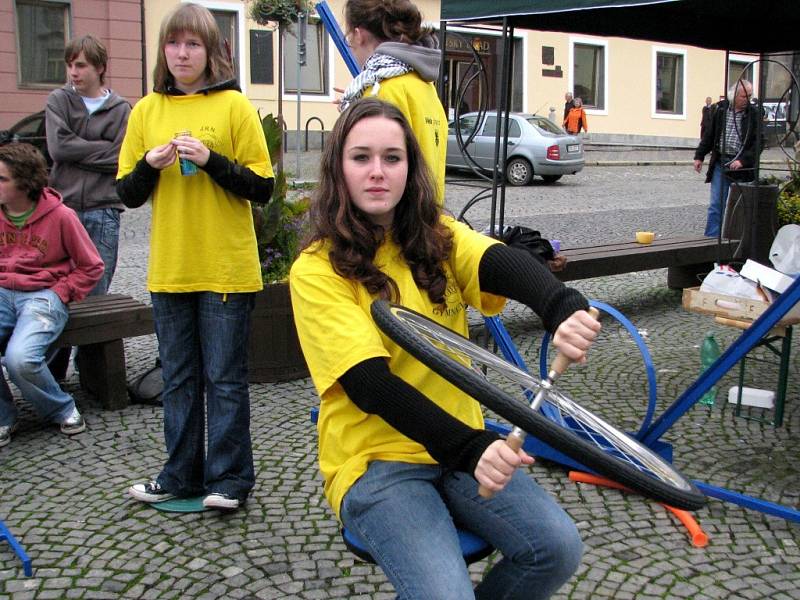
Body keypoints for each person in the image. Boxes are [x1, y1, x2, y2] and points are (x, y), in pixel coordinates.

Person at [290, 98, 600, 599]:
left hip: (461, 447)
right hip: (378, 462)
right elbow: (371, 386)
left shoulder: (436, 235)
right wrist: (472, 449)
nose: (377, 172)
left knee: (557, 548)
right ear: (337, 168)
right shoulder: (316, 270)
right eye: (361, 157)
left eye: (392, 158)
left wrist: (561, 305)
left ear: (410, 168)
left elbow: (497, 260)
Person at [117, 3, 274, 511]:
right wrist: (147, 164)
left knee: (225, 380)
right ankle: (180, 474)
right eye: (174, 43)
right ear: (163, 51)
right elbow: (128, 194)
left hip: (226, 265)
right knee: (179, 378)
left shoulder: (234, 107)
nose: (182, 53)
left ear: (211, 53)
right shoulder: (146, 111)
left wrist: (211, 162)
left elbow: (263, 186)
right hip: (171, 266)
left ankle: (230, 479)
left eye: (193, 45)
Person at [0, 143, 103, 449]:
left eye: (2, 179)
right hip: (3, 291)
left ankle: (61, 407)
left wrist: (61, 291)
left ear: (25, 181)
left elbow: (91, 266)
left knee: (20, 359)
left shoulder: (61, 216)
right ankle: (4, 417)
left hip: (44, 295)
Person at [45, 35, 131, 380]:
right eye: (70, 65)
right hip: (61, 209)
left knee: (95, 295)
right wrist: (101, 152)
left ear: (99, 67)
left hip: (103, 209)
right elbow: (59, 148)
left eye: (80, 65)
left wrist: (84, 152)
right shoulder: (59, 100)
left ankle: (93, 372)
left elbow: (123, 158)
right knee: (56, 290)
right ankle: (53, 370)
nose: (73, 72)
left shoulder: (121, 109)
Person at [340, 0, 448, 204]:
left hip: (390, 227)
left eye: (349, 38)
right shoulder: (424, 85)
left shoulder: (382, 91)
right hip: (425, 218)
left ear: (359, 34)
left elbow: (371, 176)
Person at [693, 79, 759, 238]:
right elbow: (710, 135)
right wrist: (699, 156)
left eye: (749, 96)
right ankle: (710, 242)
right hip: (721, 163)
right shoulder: (721, 110)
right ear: (734, 96)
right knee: (716, 205)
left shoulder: (754, 114)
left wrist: (743, 160)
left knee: (740, 207)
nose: (747, 100)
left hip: (742, 168)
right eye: (744, 96)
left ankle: (737, 242)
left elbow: (758, 143)